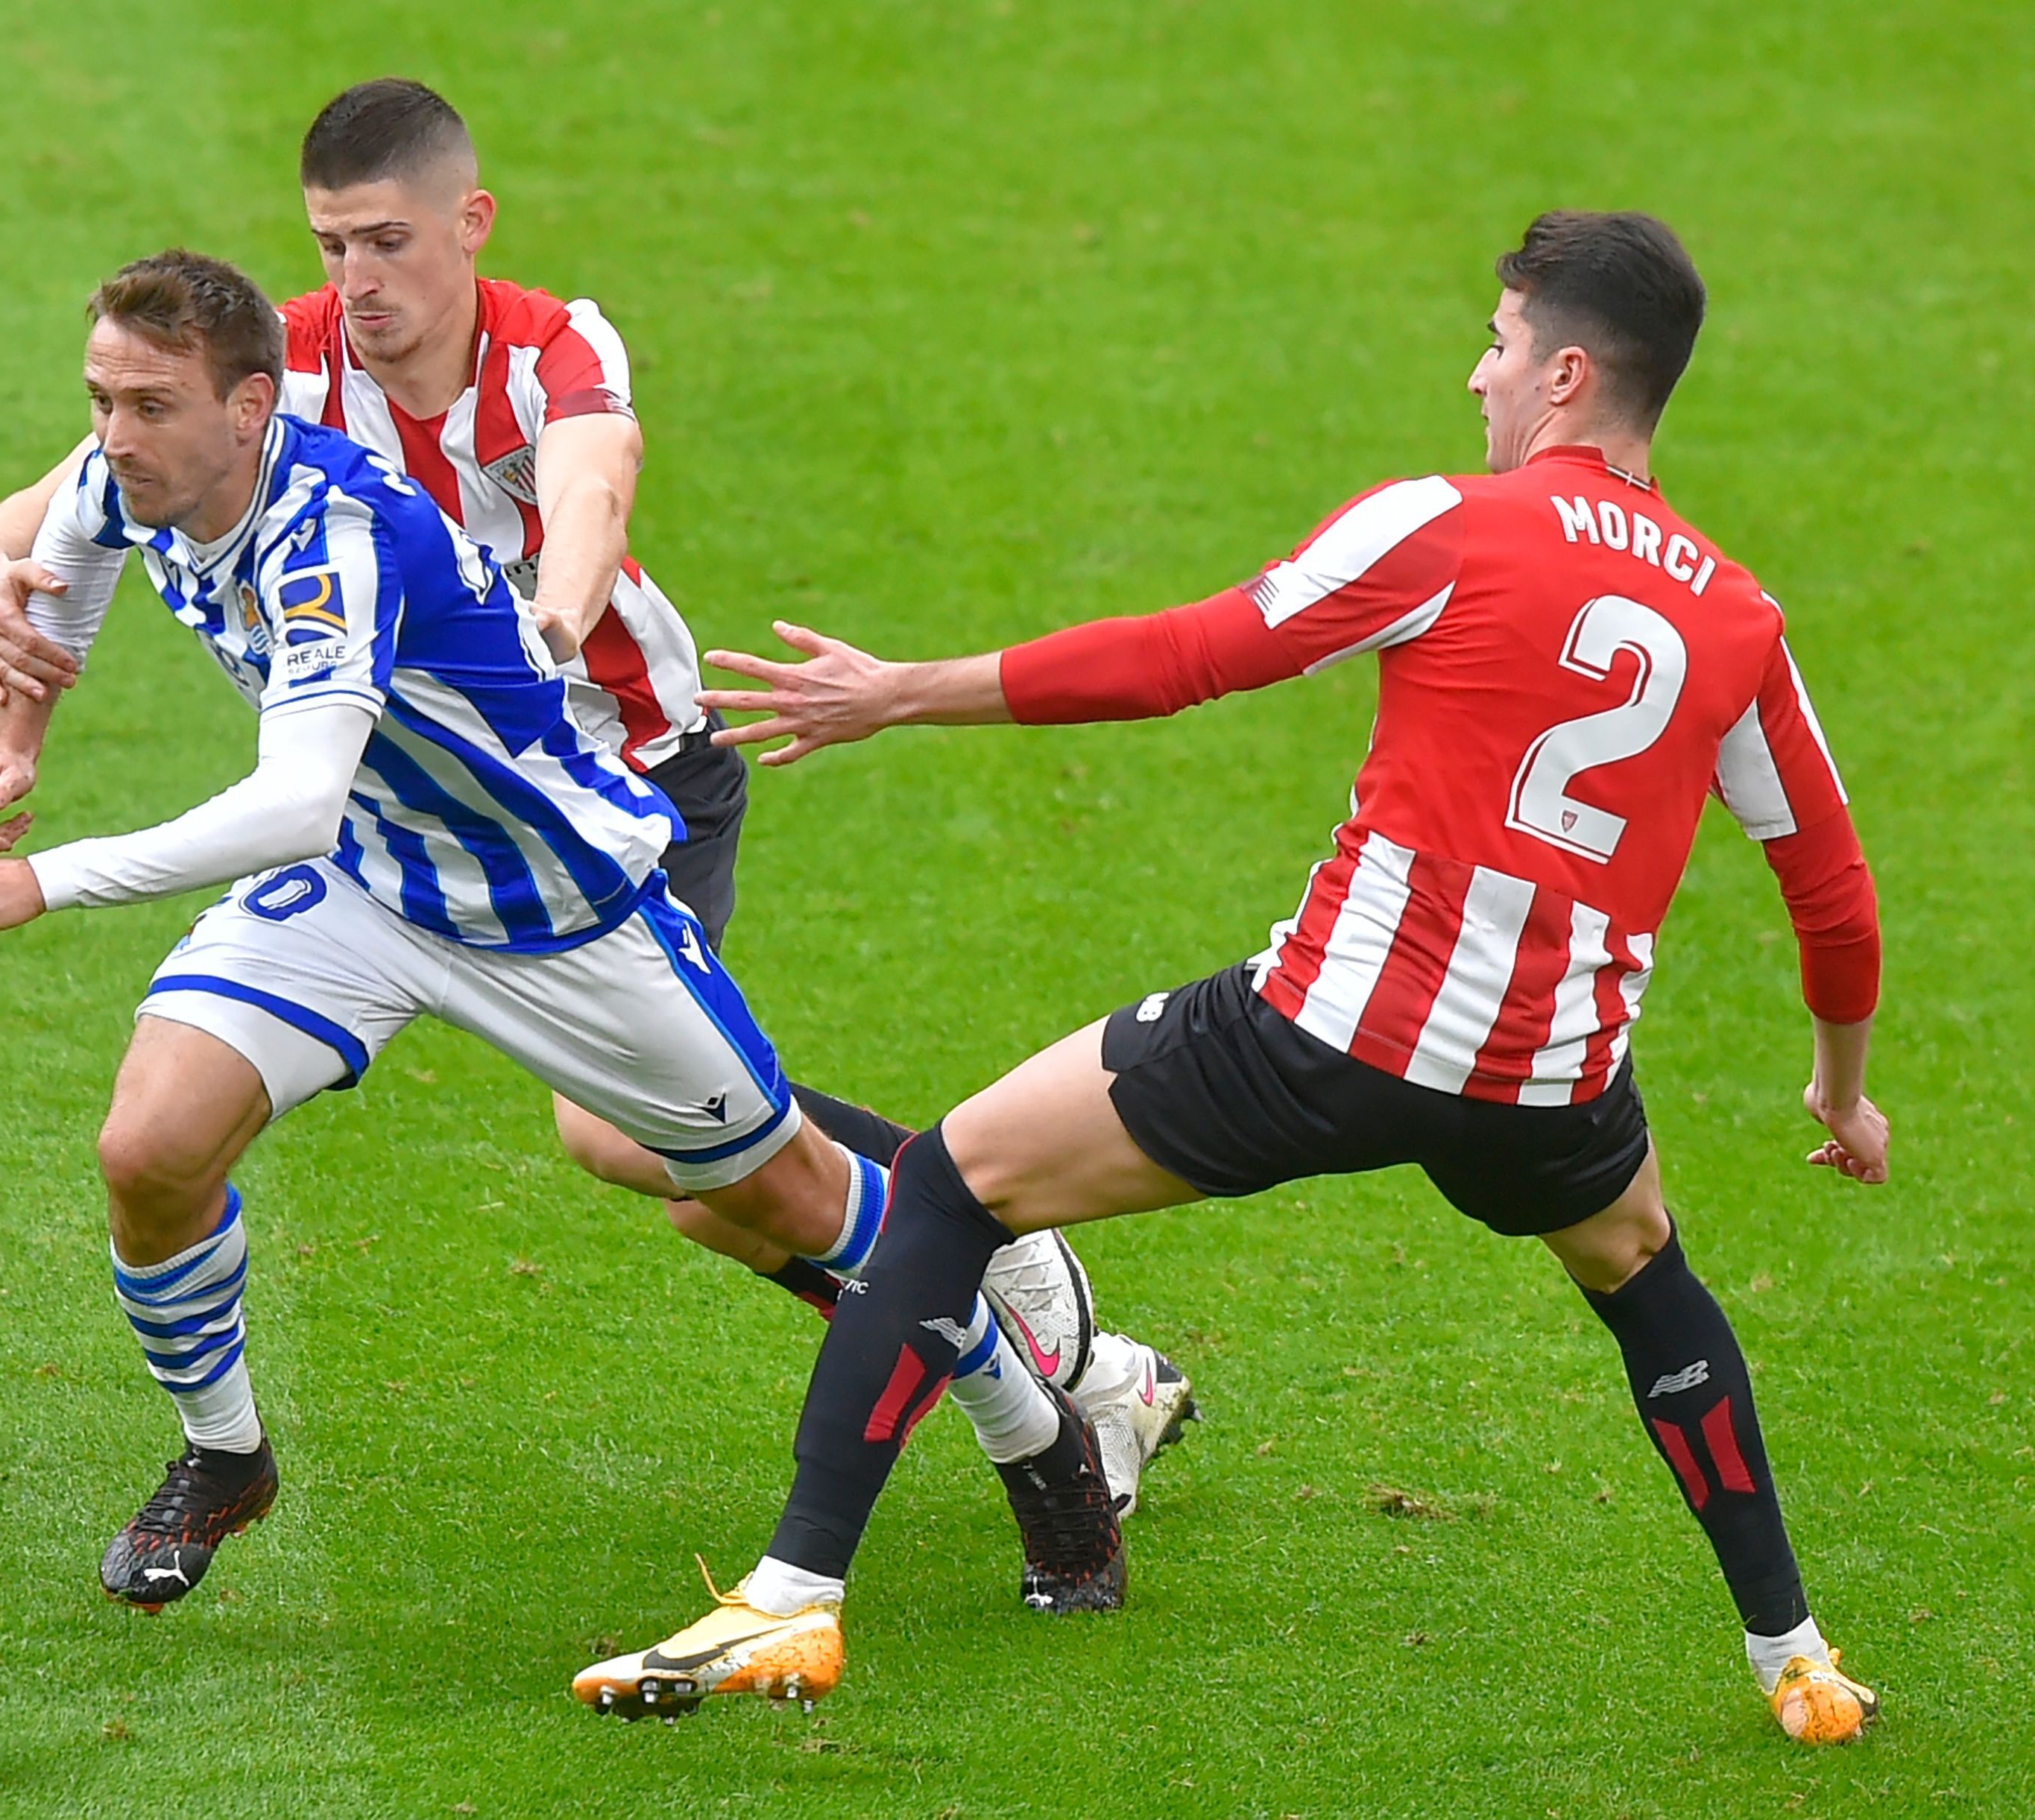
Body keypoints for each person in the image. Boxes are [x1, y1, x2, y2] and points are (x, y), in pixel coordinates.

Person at [576, 212, 1889, 1748]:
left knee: (949, 1182)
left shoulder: (1445, 526)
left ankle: (794, 1595)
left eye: (1498, 344)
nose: (1477, 376)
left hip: (1323, 1037)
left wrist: (903, 692)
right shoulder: (1738, 618)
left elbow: (1189, 656)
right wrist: (1841, 1093)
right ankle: (1797, 1659)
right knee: (1647, 1278)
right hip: (1547, 1086)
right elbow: (1833, 892)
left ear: (1567, 375)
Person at [0, 80, 1194, 1508]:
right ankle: (1021, 1320)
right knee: (701, 1181)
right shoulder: (269, 370)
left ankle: (1006, 1276)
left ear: (470, 224)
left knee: (662, 1158)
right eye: (332, 244)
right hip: (404, 822)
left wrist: (551, 615)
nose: (357, 280)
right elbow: (54, 509)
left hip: (616, 779)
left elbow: (595, 483)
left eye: (388, 241)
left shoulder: (551, 346)